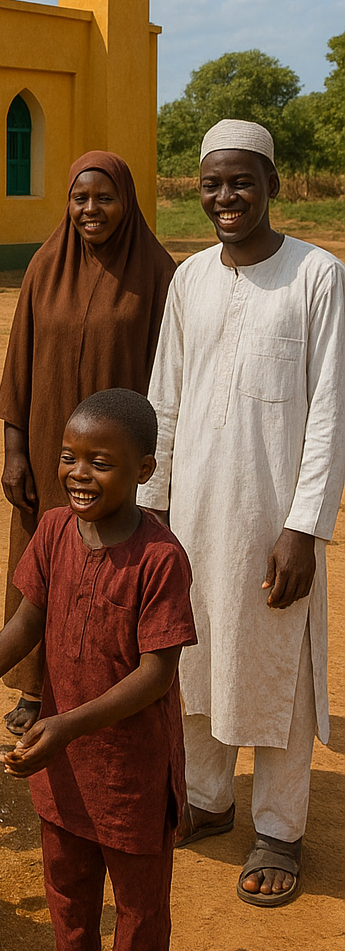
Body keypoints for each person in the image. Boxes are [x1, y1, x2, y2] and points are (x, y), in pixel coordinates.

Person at [142, 118, 345, 907]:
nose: (226, 198)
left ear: (274, 184)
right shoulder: (189, 278)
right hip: (191, 511)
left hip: (274, 519)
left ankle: (278, 827)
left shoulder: (318, 276)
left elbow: (330, 412)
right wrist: (152, 511)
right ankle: (208, 797)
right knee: (191, 657)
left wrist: (305, 528)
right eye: (212, 184)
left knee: (278, 670)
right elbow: (164, 401)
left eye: (241, 182)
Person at [0, 388, 195, 951]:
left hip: (131, 768)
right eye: (68, 457)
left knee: (138, 899)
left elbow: (158, 672)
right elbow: (28, 619)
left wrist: (69, 724)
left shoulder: (160, 558)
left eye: (100, 463)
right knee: (65, 870)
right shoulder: (53, 529)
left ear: (144, 471)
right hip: (64, 757)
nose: (78, 475)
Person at [0, 151, 175, 737]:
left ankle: (100, 686)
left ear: (127, 202)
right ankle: (34, 684)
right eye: (80, 198)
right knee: (42, 558)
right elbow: (19, 361)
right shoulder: (45, 265)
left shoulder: (156, 273)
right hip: (53, 448)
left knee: (114, 561)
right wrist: (16, 451)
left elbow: (169, 372)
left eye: (105, 198)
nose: (91, 209)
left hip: (116, 458)